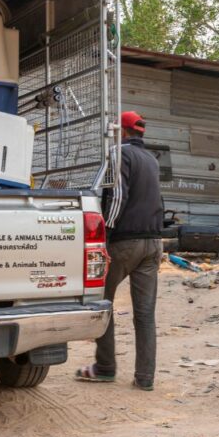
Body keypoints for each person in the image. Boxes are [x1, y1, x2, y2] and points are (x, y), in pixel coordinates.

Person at [76, 110, 164, 391]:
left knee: (103, 302)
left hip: (124, 242)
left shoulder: (118, 154)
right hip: (153, 244)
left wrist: (105, 237)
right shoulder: (152, 159)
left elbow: (117, 197)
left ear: (122, 132)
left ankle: (105, 367)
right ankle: (145, 378)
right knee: (145, 314)